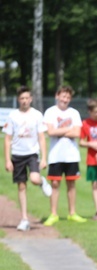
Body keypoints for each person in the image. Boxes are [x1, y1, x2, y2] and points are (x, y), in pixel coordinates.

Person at [2, 85, 51, 231]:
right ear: (18, 100)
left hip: (32, 153)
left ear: (31, 99)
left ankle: (42, 182)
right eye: (22, 98)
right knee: (21, 186)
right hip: (17, 154)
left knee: (34, 179)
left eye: (27, 98)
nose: (24, 101)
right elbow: (7, 139)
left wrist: (43, 158)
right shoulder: (12, 116)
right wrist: (7, 159)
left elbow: (42, 137)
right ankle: (24, 218)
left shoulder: (37, 115)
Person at [43, 85, 86, 226]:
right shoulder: (50, 112)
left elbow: (77, 133)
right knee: (55, 183)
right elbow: (50, 132)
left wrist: (59, 130)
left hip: (71, 155)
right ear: (57, 96)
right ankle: (53, 213)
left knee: (71, 184)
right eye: (63, 96)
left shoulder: (74, 113)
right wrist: (68, 129)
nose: (65, 99)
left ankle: (72, 213)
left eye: (68, 97)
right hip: (56, 155)